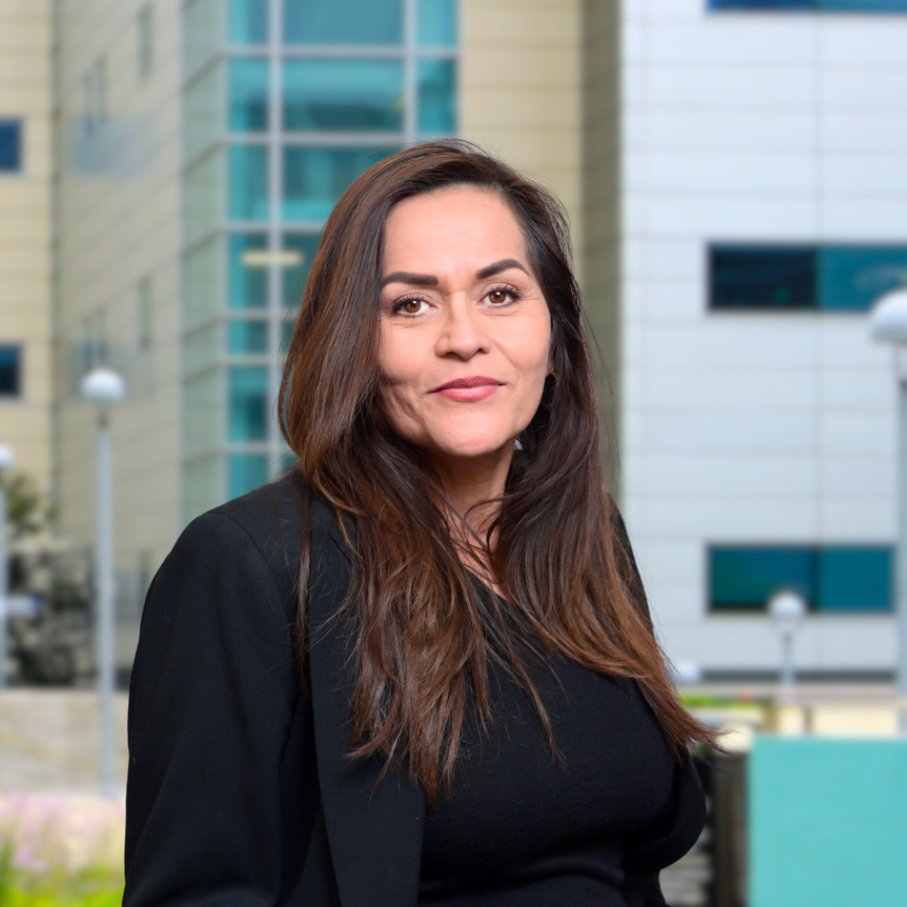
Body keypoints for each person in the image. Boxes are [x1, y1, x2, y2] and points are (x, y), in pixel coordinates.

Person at [123, 141, 713, 907]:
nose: (463, 337)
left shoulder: (586, 536)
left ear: (556, 337)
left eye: (500, 294)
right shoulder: (250, 563)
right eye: (410, 303)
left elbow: (627, 866)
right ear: (354, 349)